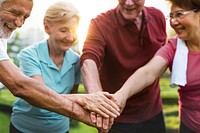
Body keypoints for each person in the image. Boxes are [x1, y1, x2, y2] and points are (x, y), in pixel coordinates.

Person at [0, 0, 120, 131]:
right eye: (63, 30)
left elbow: (63, 96)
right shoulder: (29, 54)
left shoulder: (76, 61)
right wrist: (82, 101)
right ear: (47, 27)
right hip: (25, 129)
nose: (70, 37)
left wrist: (98, 113)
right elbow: (32, 94)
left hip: (60, 129)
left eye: (73, 31)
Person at [111, 0, 200, 132]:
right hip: (190, 127)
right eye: (171, 16)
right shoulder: (174, 47)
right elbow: (148, 72)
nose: (174, 22)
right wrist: (121, 95)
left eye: (179, 14)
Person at [80, 0, 167, 132]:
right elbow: (89, 60)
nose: (128, 3)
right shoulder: (99, 23)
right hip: (116, 117)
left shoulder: (158, 17)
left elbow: (163, 58)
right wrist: (97, 99)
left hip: (153, 113)